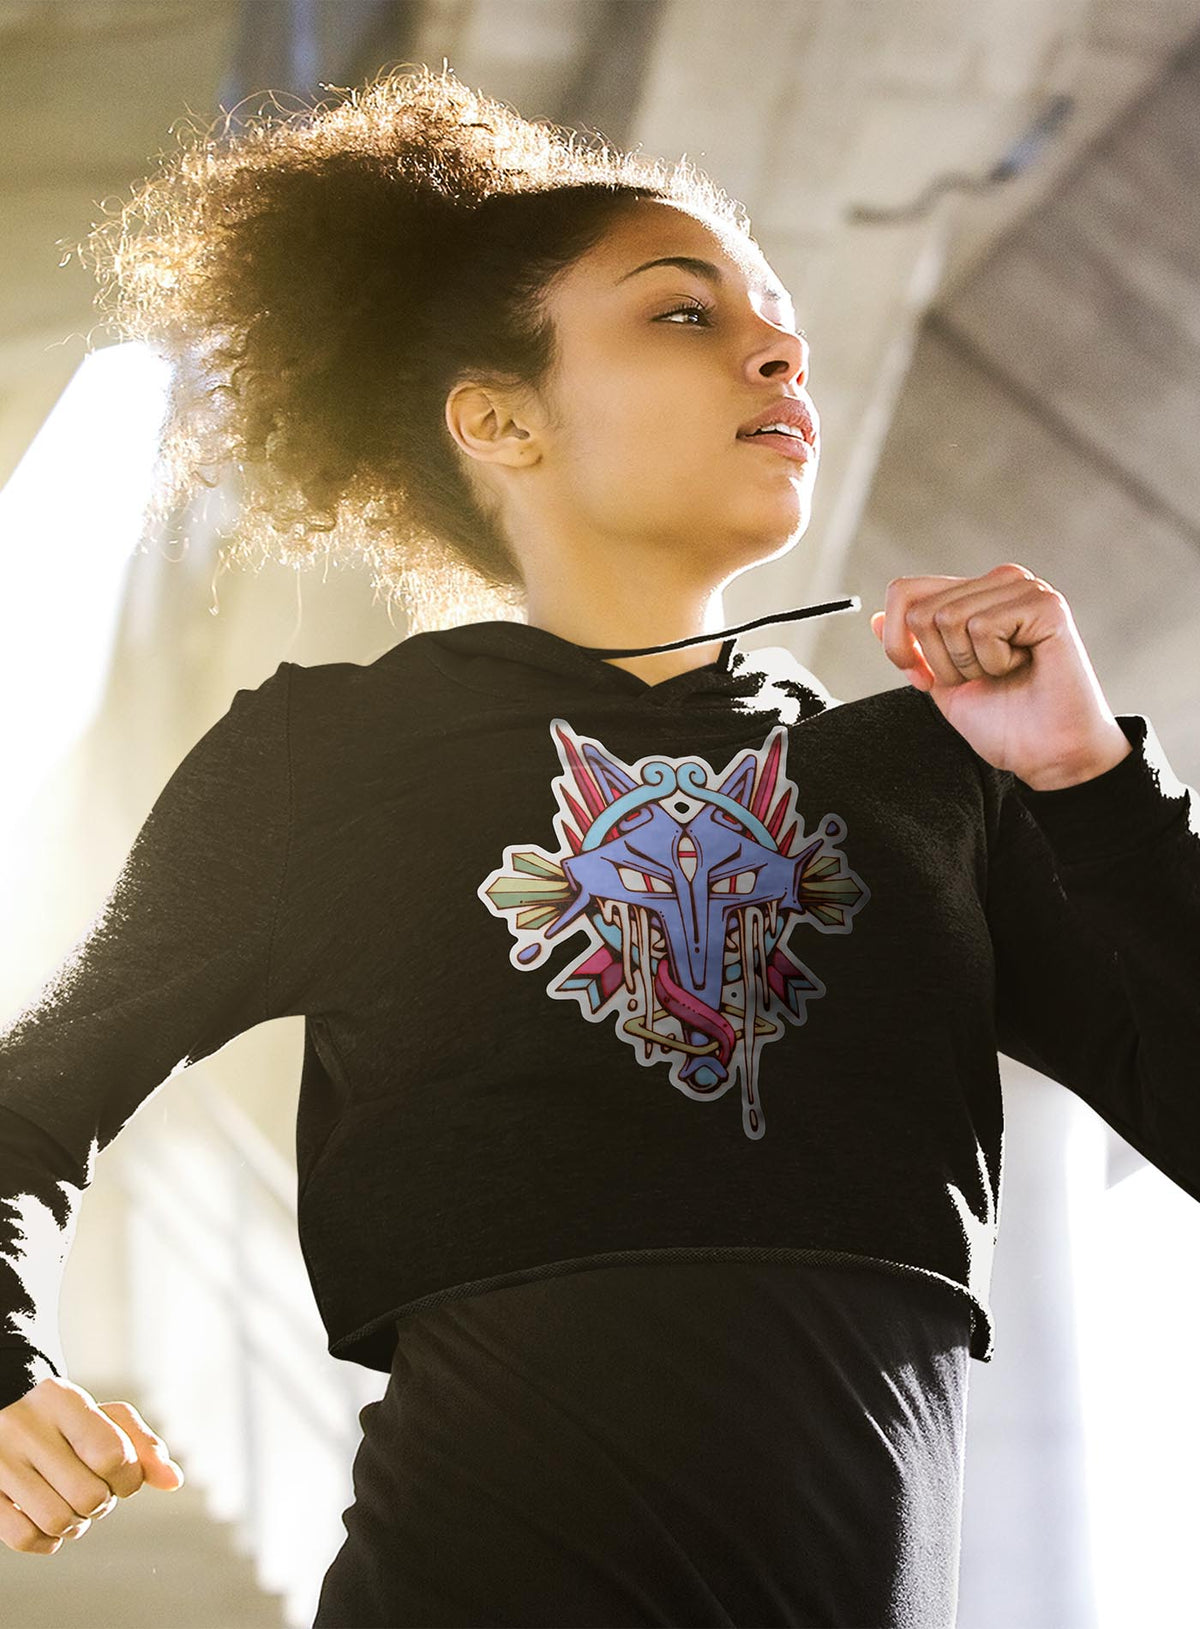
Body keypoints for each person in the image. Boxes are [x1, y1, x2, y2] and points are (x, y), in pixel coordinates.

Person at [1, 62, 1197, 1629]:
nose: (777, 345)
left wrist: (1087, 777)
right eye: (682, 314)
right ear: (500, 417)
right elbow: (30, 1108)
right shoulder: (330, 760)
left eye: (781, 317)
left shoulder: (938, 775)